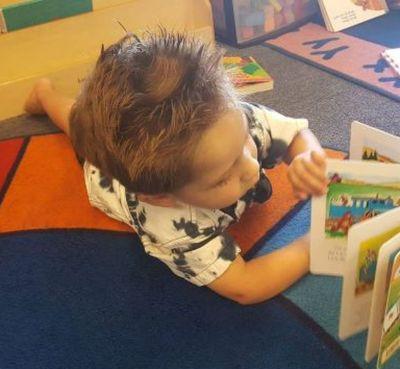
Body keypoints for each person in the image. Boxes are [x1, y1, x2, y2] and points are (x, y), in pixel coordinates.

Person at [24, 29, 328, 305]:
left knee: (82, 122)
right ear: (163, 197)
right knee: (77, 128)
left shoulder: (225, 123)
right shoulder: (175, 225)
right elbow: (245, 286)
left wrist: (306, 157)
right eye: (223, 179)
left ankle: (49, 95)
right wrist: (312, 247)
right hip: (107, 180)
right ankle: (45, 94)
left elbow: (296, 134)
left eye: (245, 142)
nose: (250, 167)